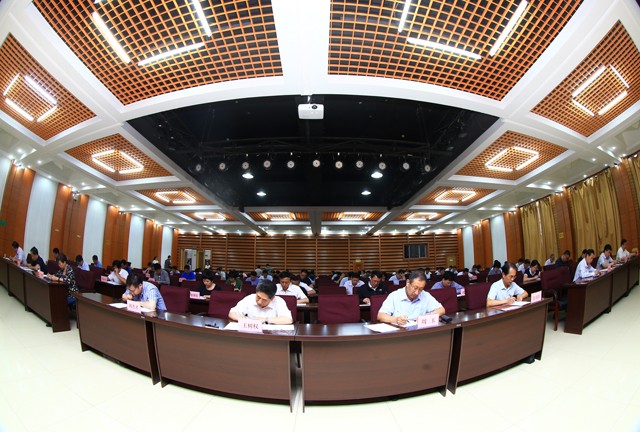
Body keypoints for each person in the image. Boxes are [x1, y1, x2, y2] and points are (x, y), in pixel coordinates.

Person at [377, 271, 445, 325]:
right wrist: (396, 319)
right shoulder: (395, 296)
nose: (417, 292)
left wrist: (428, 316)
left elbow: (441, 310)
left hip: (419, 332)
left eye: (421, 289)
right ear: (408, 283)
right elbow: (380, 316)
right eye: (415, 288)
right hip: (400, 333)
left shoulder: (425, 295)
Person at [228, 280, 292, 324]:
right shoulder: (250, 298)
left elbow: (288, 319)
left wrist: (265, 320)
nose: (259, 302)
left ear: (272, 298)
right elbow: (232, 313)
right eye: (258, 297)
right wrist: (241, 319)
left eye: (264, 299)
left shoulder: (279, 301)